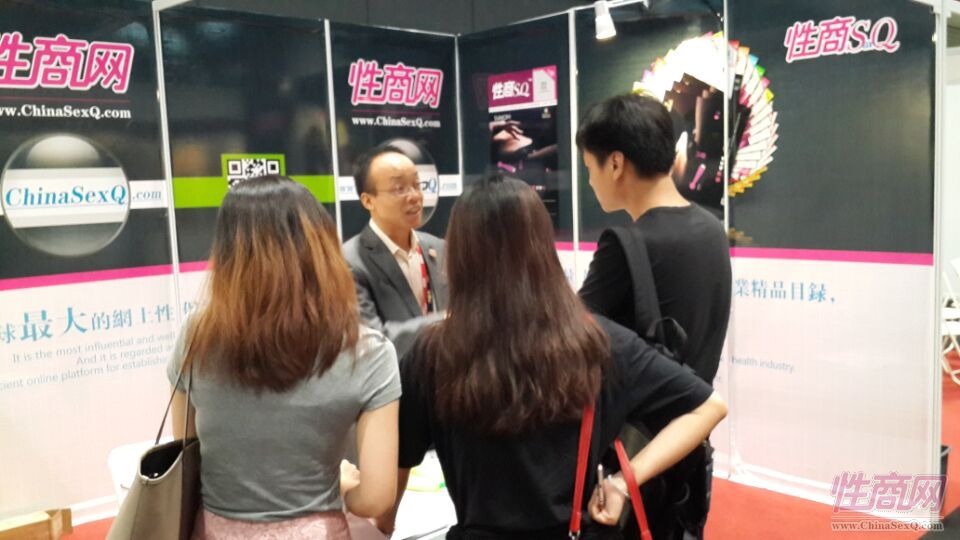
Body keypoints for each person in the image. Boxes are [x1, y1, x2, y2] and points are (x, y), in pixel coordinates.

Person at [377, 174, 727, 539]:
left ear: (461, 254)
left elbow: (392, 487)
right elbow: (708, 407)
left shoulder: (433, 353)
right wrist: (623, 482)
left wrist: (383, 524)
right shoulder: (597, 341)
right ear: (542, 246)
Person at [166, 176, 400, 539]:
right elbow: (375, 499)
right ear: (322, 247)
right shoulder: (368, 351)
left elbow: (186, 448)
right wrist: (339, 487)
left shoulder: (196, 335)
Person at [576, 93, 732, 539]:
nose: (591, 182)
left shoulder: (626, 245)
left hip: (631, 460)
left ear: (616, 163)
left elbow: (572, 340)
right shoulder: (711, 229)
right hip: (688, 452)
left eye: (589, 168)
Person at [342, 144, 448, 359]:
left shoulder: (438, 247)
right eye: (399, 189)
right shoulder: (349, 260)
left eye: (417, 185)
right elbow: (372, 341)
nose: (415, 196)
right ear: (368, 201)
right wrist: (446, 320)